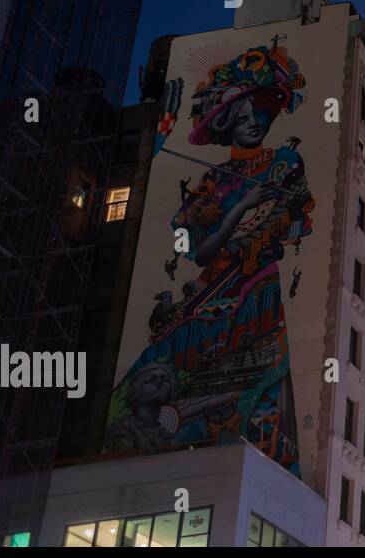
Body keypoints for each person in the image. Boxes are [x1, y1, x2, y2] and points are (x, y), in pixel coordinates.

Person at [104, 41, 312, 474]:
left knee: (261, 385)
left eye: (258, 112)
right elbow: (199, 251)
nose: (253, 122)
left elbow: (294, 216)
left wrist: (262, 218)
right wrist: (241, 206)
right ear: (223, 125)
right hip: (213, 298)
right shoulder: (212, 182)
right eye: (240, 116)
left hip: (259, 291)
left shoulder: (285, 160)